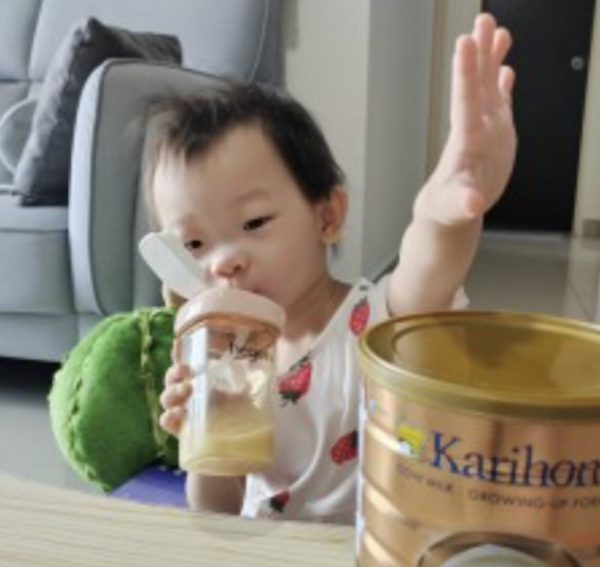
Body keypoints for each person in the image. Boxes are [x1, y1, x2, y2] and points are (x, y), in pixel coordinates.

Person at [145, 13, 516, 523]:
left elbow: (428, 271)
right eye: (193, 243)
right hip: (267, 552)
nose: (223, 261)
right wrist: (203, 438)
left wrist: (444, 211)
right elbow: (216, 511)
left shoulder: (374, 323)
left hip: (367, 553)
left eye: (254, 222)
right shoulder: (227, 368)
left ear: (327, 216)